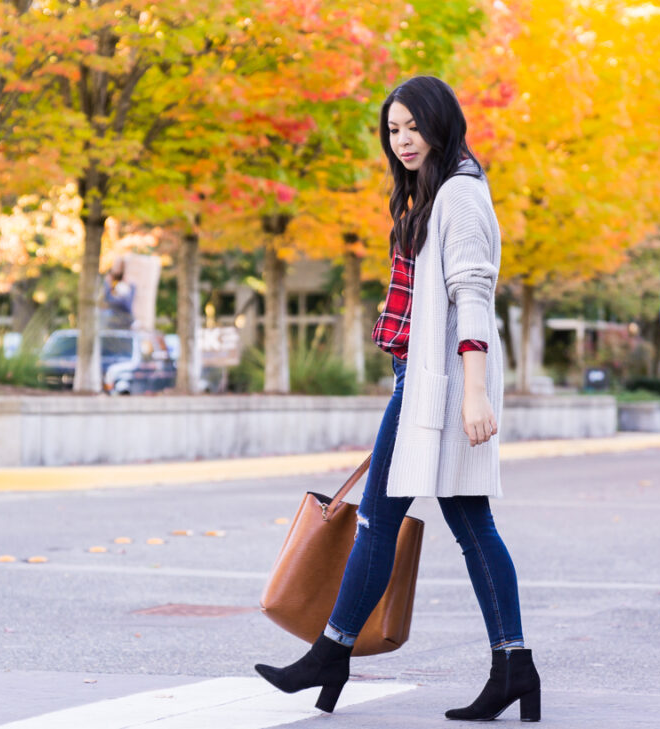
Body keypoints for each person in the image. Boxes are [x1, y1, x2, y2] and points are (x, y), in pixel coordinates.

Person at [254, 76, 541, 722]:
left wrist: (473, 396)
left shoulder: (461, 193)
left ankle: (331, 653)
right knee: (460, 526)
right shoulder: (433, 190)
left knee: (392, 520)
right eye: (394, 130)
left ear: (441, 123)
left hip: (439, 386)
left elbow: (472, 292)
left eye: (414, 127)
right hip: (421, 380)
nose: (404, 140)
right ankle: (513, 665)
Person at [101, 257, 135, 329]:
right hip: (113, 321)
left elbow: (126, 304)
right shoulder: (109, 282)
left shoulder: (126, 286)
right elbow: (107, 300)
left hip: (124, 321)